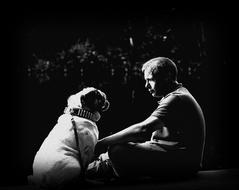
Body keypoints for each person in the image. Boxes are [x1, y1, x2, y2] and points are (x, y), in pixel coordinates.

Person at [89, 57, 206, 179]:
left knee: (117, 150)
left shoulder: (176, 98)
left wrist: (101, 143)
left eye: (150, 80)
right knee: (111, 154)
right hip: (174, 157)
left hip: (183, 164)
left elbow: (143, 129)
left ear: (167, 76)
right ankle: (99, 166)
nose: (146, 85)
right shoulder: (178, 94)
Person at [28, 87, 110, 189]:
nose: (102, 102)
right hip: (61, 172)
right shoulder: (84, 124)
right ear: (83, 102)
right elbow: (86, 154)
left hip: (40, 172)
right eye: (98, 98)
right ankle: (79, 181)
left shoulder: (68, 121)